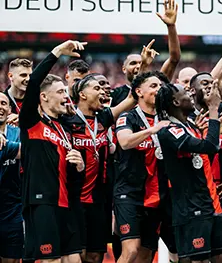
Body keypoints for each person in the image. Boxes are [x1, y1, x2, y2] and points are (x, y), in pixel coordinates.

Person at [20, 40, 86, 263]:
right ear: (44, 97)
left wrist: (79, 166)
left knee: (75, 260)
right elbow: (34, 83)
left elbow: (72, 177)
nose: (66, 96)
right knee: (51, 261)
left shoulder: (63, 128)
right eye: (60, 92)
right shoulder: (31, 122)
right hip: (42, 203)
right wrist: (57, 52)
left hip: (65, 204)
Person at [155, 80, 222, 263]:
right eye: (185, 92)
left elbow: (205, 158)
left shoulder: (191, 126)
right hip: (192, 208)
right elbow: (210, 146)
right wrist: (213, 109)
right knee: (198, 260)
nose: (190, 94)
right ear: (175, 102)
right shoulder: (169, 130)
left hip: (211, 202)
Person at [66, 73, 136, 263]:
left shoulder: (104, 118)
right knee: (76, 255)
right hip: (73, 199)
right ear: (82, 94)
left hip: (99, 199)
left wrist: (144, 67)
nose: (103, 92)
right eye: (96, 88)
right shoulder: (66, 121)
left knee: (95, 256)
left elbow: (132, 98)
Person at [114, 71, 173, 263]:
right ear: (139, 91)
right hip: (129, 193)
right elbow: (124, 142)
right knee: (131, 251)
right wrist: (151, 130)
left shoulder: (167, 118)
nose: (159, 90)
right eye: (153, 86)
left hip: (157, 196)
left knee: (147, 254)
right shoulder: (127, 117)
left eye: (161, 87)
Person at [111, 0, 180, 107]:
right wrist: (144, 64)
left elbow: (174, 59)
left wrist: (171, 27)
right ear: (123, 69)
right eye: (133, 63)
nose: (138, 66)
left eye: (140, 63)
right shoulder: (115, 94)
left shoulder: (157, 86)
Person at [0, 93, 23, 263]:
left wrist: (6, 146)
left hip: (12, 208)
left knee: (12, 260)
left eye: (3, 103)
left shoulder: (18, 132)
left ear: (9, 109)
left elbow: (28, 151)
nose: (0, 107)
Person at [4, 58, 33, 126]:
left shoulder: (37, 100)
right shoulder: (2, 101)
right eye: (23, 75)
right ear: (10, 76)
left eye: (30, 76)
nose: (28, 79)